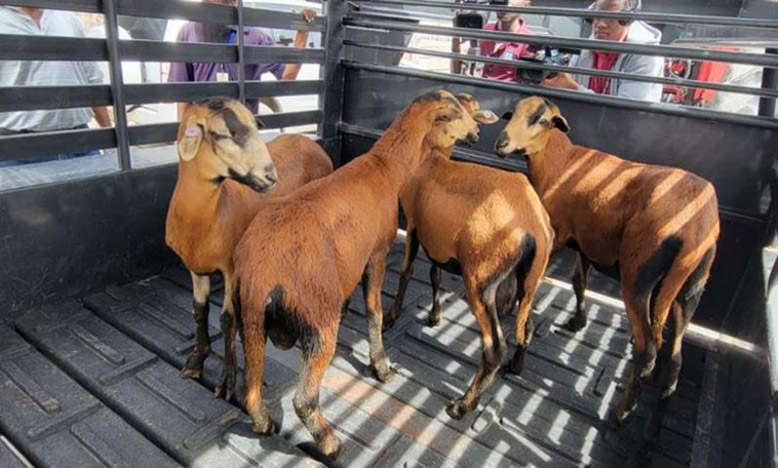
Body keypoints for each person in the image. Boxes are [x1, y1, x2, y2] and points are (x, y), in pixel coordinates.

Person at [0, 6, 112, 166]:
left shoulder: (67, 18)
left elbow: (92, 79)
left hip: (80, 144)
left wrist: (109, 136)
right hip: (18, 152)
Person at [169, 0, 317, 120]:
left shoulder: (254, 37)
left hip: (241, 133)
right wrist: (185, 137)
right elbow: (183, 94)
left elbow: (287, 76)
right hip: (206, 131)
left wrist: (302, 33)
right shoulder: (188, 33)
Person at [542, 0, 663, 101]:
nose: (600, 24)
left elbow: (627, 110)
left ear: (627, 20)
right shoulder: (587, 47)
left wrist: (575, 89)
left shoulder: (646, 54)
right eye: (597, 17)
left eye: (610, 18)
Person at [451, 0, 533, 81]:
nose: (505, 2)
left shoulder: (529, 43)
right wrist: (456, 41)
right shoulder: (484, 30)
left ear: (527, 4)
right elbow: (456, 73)